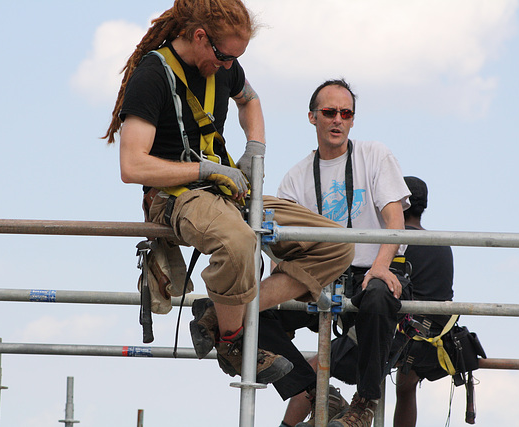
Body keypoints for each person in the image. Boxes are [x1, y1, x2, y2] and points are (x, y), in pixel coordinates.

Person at [103, 0, 354, 385]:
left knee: (334, 244)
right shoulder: (152, 76)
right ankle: (233, 343)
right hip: (176, 197)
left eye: (236, 58)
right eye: (224, 56)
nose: (229, 66)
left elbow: (249, 99)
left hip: (226, 190)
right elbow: (132, 167)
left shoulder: (224, 62)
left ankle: (219, 314)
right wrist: (204, 169)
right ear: (200, 37)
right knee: (238, 242)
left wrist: (256, 146)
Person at [265, 79, 412, 427]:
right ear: (312, 117)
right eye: (329, 112)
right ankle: (315, 391)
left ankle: (364, 402)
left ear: (352, 120)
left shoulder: (374, 154)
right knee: (257, 309)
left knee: (378, 296)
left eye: (346, 113)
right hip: (321, 274)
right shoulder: (295, 177)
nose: (337, 120)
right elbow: (279, 246)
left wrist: (380, 266)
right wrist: (280, 278)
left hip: (371, 270)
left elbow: (395, 219)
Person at [392, 176, 454, 427]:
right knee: (406, 387)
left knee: (320, 362)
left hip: (400, 336)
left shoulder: (393, 240)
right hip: (434, 339)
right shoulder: (442, 244)